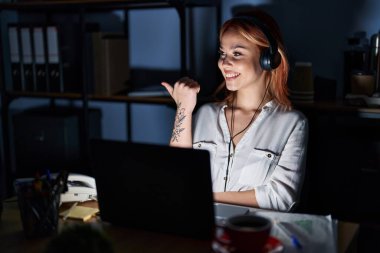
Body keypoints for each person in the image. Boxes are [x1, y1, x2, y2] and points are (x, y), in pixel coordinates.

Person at [161, 9, 308, 212]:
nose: (224, 63)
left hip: (254, 233)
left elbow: (280, 198)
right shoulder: (205, 114)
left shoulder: (292, 123)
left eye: (237, 53)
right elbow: (176, 173)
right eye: (223, 53)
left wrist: (201, 195)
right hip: (199, 229)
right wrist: (183, 109)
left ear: (268, 59)